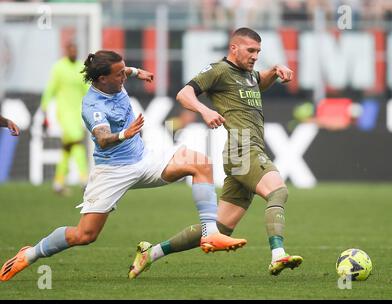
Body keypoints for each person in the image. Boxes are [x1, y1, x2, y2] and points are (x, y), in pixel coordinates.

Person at [0, 50, 247, 282]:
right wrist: (124, 134)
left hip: (144, 159)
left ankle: (210, 233)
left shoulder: (115, 76)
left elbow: (125, 70)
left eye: (123, 72)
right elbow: (104, 140)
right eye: (118, 74)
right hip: (112, 171)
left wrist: (139, 72)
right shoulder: (93, 106)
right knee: (84, 235)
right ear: (102, 79)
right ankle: (29, 254)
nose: (123, 76)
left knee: (200, 164)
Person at [129, 27, 303, 279]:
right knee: (278, 190)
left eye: (258, 52)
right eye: (250, 50)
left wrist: (275, 71)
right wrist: (205, 111)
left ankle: (151, 252)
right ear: (234, 48)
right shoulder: (218, 71)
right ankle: (278, 255)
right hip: (243, 147)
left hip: (247, 150)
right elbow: (184, 94)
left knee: (219, 228)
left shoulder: (248, 75)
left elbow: (257, 83)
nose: (255, 56)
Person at [40, 42, 89, 195]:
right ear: (66, 51)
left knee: (67, 149)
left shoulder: (81, 68)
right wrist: (44, 108)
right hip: (64, 113)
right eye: (70, 50)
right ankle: (84, 179)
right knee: (78, 143)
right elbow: (51, 89)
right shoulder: (59, 67)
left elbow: (87, 90)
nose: (73, 52)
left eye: (75, 50)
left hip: (77, 114)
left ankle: (58, 183)